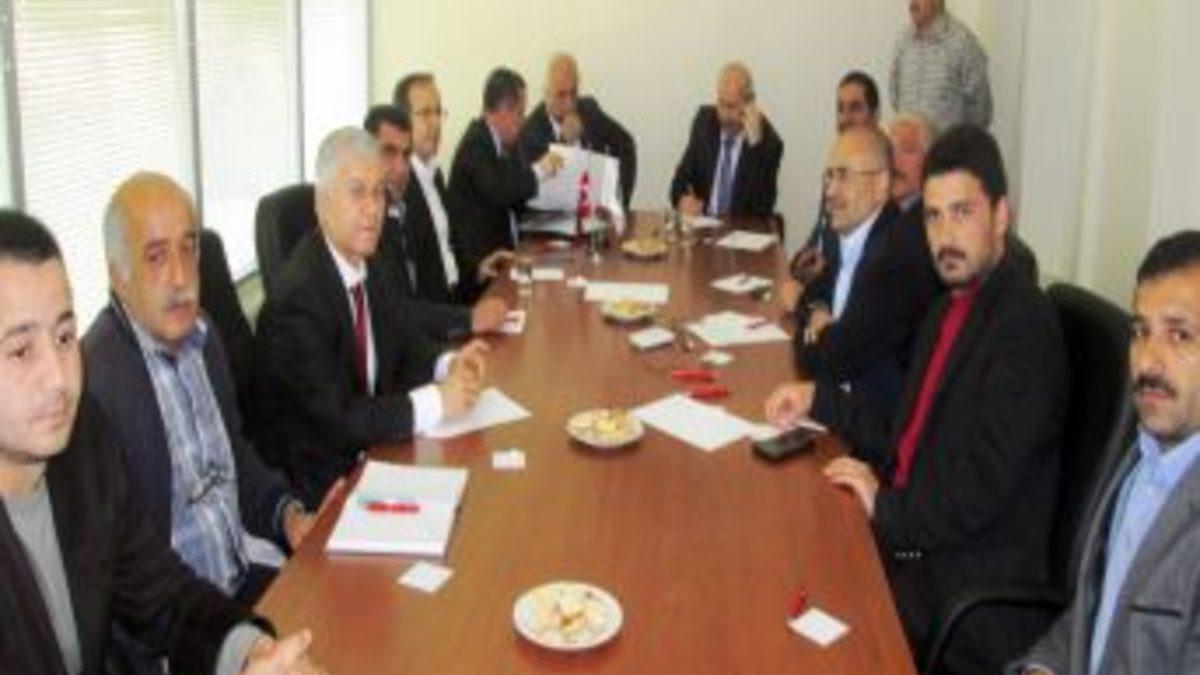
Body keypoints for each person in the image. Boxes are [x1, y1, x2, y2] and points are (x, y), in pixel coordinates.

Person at [765, 126, 1068, 672]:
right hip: (917, 542)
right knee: (783, 557)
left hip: (961, 584)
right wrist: (819, 400)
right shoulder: (948, 307)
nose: (945, 235)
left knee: (801, 642)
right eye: (932, 216)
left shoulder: (1024, 330)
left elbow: (979, 490)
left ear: (1001, 216)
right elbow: (905, 432)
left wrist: (885, 507)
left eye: (961, 212)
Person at [0, 210, 322, 674]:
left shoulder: (82, 442)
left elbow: (161, 593)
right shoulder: (104, 389)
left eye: (64, 336)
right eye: (20, 350)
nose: (58, 378)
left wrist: (251, 653)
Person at [254, 127, 489, 506]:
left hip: (375, 455)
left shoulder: (371, 264)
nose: (373, 208)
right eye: (357, 192)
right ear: (322, 202)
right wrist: (438, 402)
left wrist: (448, 364)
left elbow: (404, 345)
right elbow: (341, 418)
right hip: (323, 488)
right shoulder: (297, 300)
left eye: (379, 192)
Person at [1013, 231, 1200, 675]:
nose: (1148, 361)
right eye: (1140, 332)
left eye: (1180, 335)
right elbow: (1094, 610)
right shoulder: (1141, 457)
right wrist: (1042, 668)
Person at [789, 126, 939, 416]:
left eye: (844, 176)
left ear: (881, 185)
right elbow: (812, 296)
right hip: (844, 406)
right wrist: (816, 314)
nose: (830, 191)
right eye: (829, 176)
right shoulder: (845, 235)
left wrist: (812, 329)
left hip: (876, 427)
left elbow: (826, 363)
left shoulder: (896, 257)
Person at [363, 104, 507, 335]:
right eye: (388, 153)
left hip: (434, 323)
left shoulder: (403, 204)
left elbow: (442, 262)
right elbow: (396, 312)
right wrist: (467, 319)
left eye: (406, 155)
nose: (400, 168)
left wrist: (476, 272)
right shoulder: (368, 224)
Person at [449, 67, 563, 277]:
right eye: (520, 112)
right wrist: (540, 169)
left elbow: (519, 198)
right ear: (503, 109)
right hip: (483, 270)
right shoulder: (475, 144)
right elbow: (501, 191)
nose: (523, 120)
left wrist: (555, 221)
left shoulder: (505, 144)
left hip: (509, 257)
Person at [518, 52, 637, 206]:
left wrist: (619, 201)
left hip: (596, 210)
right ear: (546, 94)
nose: (569, 103)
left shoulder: (588, 109)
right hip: (555, 216)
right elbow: (540, 189)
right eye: (561, 95)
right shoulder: (530, 132)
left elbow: (626, 144)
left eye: (573, 93)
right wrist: (564, 143)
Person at [669, 61, 784, 218]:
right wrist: (682, 200)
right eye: (720, 103)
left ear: (749, 104)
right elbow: (680, 180)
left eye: (731, 106)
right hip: (705, 226)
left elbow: (763, 206)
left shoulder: (769, 143)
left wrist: (755, 146)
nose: (723, 114)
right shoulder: (704, 123)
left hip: (741, 228)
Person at [890, 0, 992, 133]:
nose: (913, 3)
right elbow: (895, 94)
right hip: (909, 143)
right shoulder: (903, 40)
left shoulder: (964, 43)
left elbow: (979, 109)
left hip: (947, 144)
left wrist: (960, 141)